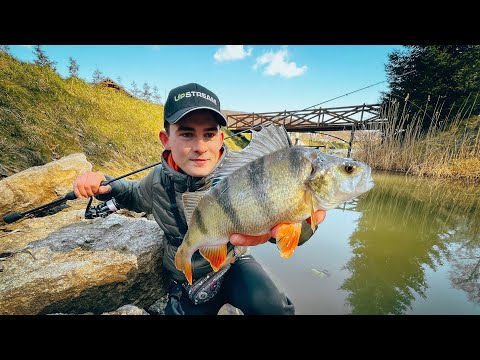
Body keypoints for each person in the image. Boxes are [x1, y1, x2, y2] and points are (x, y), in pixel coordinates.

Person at [73, 82, 326, 315]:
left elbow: (283, 231)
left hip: (234, 261)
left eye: (209, 134)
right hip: (187, 275)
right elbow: (132, 194)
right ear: (166, 140)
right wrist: (105, 183)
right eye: (186, 134)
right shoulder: (157, 181)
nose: (200, 147)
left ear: (221, 139)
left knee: (273, 308)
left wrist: (304, 220)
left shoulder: (243, 175)